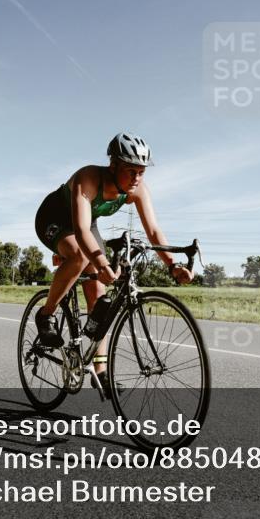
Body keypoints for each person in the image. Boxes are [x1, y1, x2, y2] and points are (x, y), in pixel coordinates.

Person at [33, 133, 192, 393]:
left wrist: (172, 265)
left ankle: (101, 373)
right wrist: (102, 263)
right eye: (131, 170)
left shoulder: (137, 190)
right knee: (81, 256)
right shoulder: (88, 178)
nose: (137, 178)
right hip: (55, 218)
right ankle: (46, 314)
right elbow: (82, 229)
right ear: (113, 165)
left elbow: (153, 230)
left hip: (86, 224)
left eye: (141, 171)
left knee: (99, 297)